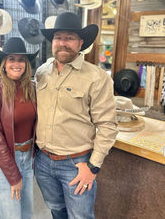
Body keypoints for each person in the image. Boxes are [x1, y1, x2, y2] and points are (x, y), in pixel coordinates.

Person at [34, 12, 118, 219]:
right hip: (43, 161)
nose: (63, 43)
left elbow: (108, 125)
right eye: (58, 37)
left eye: (69, 38)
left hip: (76, 164)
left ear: (80, 43)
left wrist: (93, 166)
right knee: (56, 210)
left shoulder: (96, 78)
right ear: (52, 42)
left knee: (80, 216)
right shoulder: (42, 72)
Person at [0, 37, 38, 219]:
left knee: (27, 213)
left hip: (28, 158)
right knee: (11, 215)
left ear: (26, 63)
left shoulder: (32, 88)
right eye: (11, 59)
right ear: (4, 63)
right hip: (6, 159)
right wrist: (13, 176)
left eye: (21, 59)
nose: (17, 63)